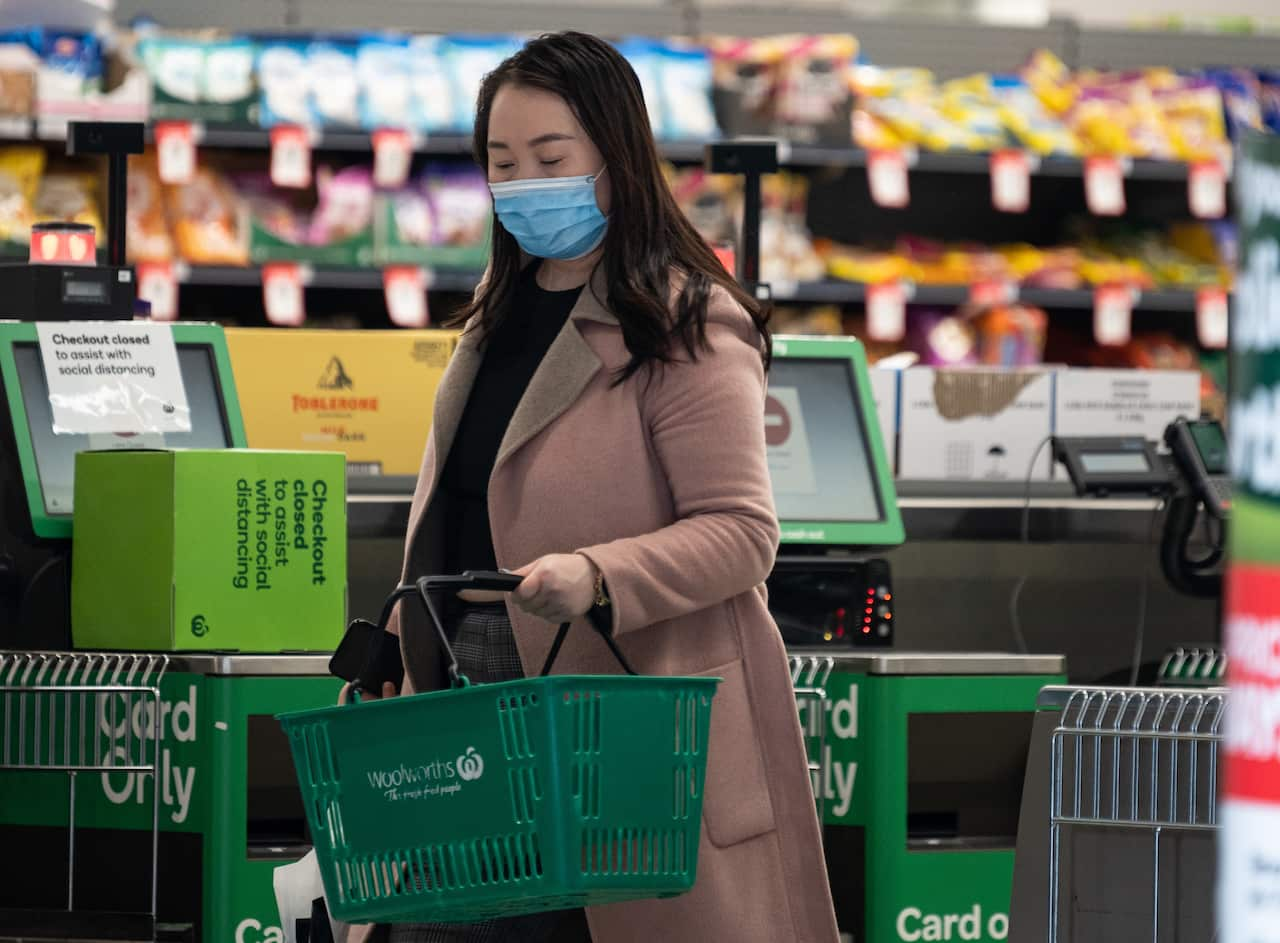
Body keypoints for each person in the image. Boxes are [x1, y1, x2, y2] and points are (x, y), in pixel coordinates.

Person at [349, 30, 839, 943]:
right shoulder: (495, 316)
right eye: (502, 160)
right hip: (466, 714)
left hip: (618, 725)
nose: (523, 180)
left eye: (550, 157)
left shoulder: (683, 320)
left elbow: (741, 531)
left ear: (615, 158)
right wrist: (398, 633)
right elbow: (464, 507)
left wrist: (599, 574)